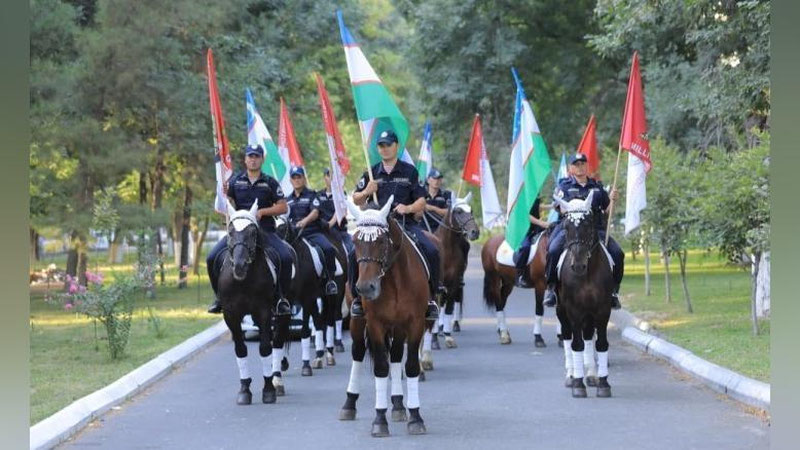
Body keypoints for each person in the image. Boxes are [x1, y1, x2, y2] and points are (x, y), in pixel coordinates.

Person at [350, 129, 441, 320]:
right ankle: (358, 298)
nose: (385, 149)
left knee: (430, 250)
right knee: (354, 254)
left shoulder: (409, 171)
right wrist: (367, 190)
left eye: (388, 145)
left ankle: (431, 297)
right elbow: (356, 199)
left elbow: (422, 201)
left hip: (404, 224)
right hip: (376, 228)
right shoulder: (371, 172)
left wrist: (407, 208)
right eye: (381, 146)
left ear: (396, 147)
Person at [206, 144, 293, 316]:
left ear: (262, 159)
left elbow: (283, 208)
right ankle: (219, 298)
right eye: (250, 156)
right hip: (239, 232)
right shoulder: (234, 181)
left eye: (256, 156)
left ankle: (281, 298)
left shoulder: (270, 182)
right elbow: (222, 207)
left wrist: (262, 212)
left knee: (286, 257)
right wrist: (223, 196)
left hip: (265, 231)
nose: (253, 160)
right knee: (211, 258)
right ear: (245, 160)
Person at [543, 153, 624, 309]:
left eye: (583, 164)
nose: (580, 167)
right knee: (553, 250)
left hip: (595, 229)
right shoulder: (564, 187)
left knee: (618, 253)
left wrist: (613, 200)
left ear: (587, 166)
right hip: (570, 228)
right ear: (571, 168)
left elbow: (607, 211)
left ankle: (613, 292)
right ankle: (552, 290)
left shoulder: (597, 188)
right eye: (576, 164)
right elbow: (559, 207)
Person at [285, 166, 338, 296]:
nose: (297, 180)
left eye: (299, 177)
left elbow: (315, 212)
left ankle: (330, 280)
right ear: (290, 180)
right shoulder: (287, 199)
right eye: (294, 177)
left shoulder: (312, 195)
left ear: (304, 179)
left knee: (329, 249)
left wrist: (304, 221)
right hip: (293, 235)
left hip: (311, 232)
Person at [317, 167, 355, 258]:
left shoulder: (342, 194)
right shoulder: (318, 195)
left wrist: (330, 224)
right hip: (322, 231)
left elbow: (342, 211)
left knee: (353, 251)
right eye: (328, 175)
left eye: (334, 176)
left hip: (340, 231)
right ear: (324, 178)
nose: (331, 178)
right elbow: (315, 211)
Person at [514, 196, 550, 288]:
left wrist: (551, 206)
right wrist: (540, 222)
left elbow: (536, 207)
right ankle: (520, 274)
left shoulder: (535, 193)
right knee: (525, 247)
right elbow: (525, 213)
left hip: (536, 227)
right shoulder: (524, 193)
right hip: (525, 229)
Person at [421, 168, 452, 233]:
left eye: (439, 179)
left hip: (441, 230)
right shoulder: (420, 193)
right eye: (434, 178)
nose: (437, 181)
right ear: (428, 180)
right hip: (422, 228)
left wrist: (433, 208)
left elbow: (449, 212)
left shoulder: (446, 194)